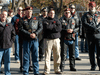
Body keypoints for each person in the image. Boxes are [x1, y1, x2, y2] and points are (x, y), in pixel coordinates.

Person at [18, 6, 42, 75]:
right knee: (26, 57)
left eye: (30, 11)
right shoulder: (22, 20)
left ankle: (36, 72)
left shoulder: (36, 19)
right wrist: (29, 34)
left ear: (32, 12)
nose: (29, 13)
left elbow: (40, 27)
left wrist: (35, 33)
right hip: (26, 40)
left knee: (35, 57)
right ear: (25, 12)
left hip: (34, 40)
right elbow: (20, 29)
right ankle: (25, 72)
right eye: (28, 11)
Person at [43, 7, 62, 74]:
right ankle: (47, 70)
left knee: (57, 55)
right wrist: (54, 26)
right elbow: (47, 27)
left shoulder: (57, 20)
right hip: (48, 40)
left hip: (56, 40)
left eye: (53, 13)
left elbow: (59, 29)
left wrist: (52, 26)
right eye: (51, 13)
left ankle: (57, 69)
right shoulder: (45, 20)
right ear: (48, 14)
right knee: (47, 56)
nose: (52, 14)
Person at [82, 1, 100, 71]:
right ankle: (93, 65)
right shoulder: (86, 15)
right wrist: (93, 28)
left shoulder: (98, 14)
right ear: (89, 7)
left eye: (93, 6)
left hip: (98, 35)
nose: (92, 7)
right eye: (91, 6)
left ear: (95, 7)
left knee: (99, 51)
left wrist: (97, 28)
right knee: (91, 51)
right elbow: (84, 23)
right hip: (90, 35)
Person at [60, 8, 79, 72]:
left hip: (72, 38)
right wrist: (66, 30)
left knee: (72, 55)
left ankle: (72, 66)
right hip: (64, 39)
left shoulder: (74, 19)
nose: (67, 14)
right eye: (66, 12)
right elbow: (59, 29)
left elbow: (78, 27)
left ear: (70, 13)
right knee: (63, 54)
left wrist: (73, 30)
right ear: (64, 13)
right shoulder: (61, 20)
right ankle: (62, 67)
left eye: (68, 12)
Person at [0, 10, 15, 75]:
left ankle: (7, 72)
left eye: (5, 15)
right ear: (0, 15)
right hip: (0, 46)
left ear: (6, 16)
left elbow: (13, 34)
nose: (4, 16)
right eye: (2, 14)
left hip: (8, 46)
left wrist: (11, 42)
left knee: (7, 61)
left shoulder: (9, 24)